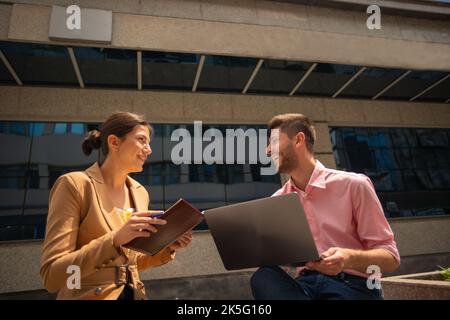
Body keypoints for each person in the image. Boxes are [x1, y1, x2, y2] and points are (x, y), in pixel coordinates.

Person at [40, 112, 192, 300]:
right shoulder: (75, 185)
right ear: (114, 142)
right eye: (141, 140)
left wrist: (168, 244)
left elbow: (132, 263)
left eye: (149, 142)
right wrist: (114, 239)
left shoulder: (140, 192)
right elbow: (52, 275)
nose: (149, 149)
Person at [250, 113, 400, 300]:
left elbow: (390, 259)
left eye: (273, 142)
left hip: (352, 286)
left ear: (299, 140)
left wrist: (348, 258)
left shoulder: (354, 185)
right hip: (305, 288)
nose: (267, 151)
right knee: (264, 277)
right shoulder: (277, 201)